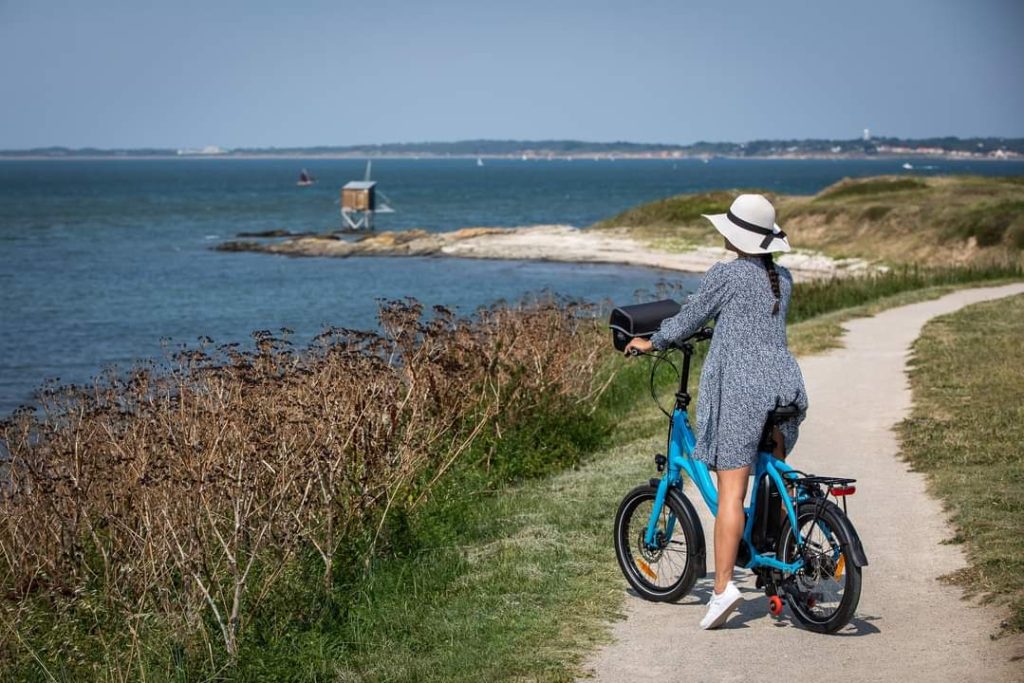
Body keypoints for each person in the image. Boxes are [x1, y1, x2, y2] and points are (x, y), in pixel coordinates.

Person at [624, 193, 807, 630]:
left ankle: (723, 590)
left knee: (731, 495)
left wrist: (655, 341)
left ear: (734, 236)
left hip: (743, 391)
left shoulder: (726, 274)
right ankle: (777, 564)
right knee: (772, 478)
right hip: (783, 385)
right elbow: (749, 321)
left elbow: (690, 317)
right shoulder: (781, 276)